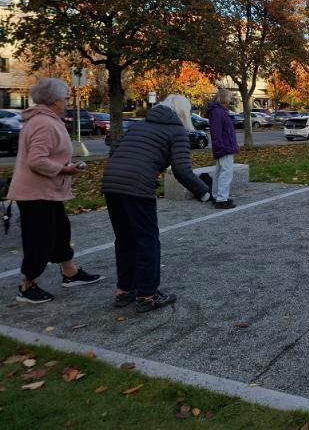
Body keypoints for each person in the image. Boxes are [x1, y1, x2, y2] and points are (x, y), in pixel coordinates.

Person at [102, 94, 211, 313]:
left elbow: (115, 150)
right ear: (183, 113)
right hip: (138, 186)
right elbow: (182, 170)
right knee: (147, 240)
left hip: (111, 183)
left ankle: (125, 290)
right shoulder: (176, 131)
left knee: (124, 239)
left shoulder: (138, 126)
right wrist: (205, 192)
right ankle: (147, 295)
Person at [8, 78, 102, 304]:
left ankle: (70, 273)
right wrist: (64, 169)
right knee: (40, 238)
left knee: (61, 231)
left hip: (46, 190)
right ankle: (27, 285)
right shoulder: (44, 123)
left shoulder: (45, 119)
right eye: (64, 97)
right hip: (35, 192)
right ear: (54, 100)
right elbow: (37, 160)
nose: (66, 101)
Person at [206, 88, 239, 209]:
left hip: (225, 146)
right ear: (224, 97)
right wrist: (220, 148)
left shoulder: (220, 111)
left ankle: (217, 196)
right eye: (229, 97)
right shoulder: (217, 112)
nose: (230, 99)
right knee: (226, 172)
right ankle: (221, 199)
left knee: (220, 172)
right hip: (224, 147)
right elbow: (216, 133)